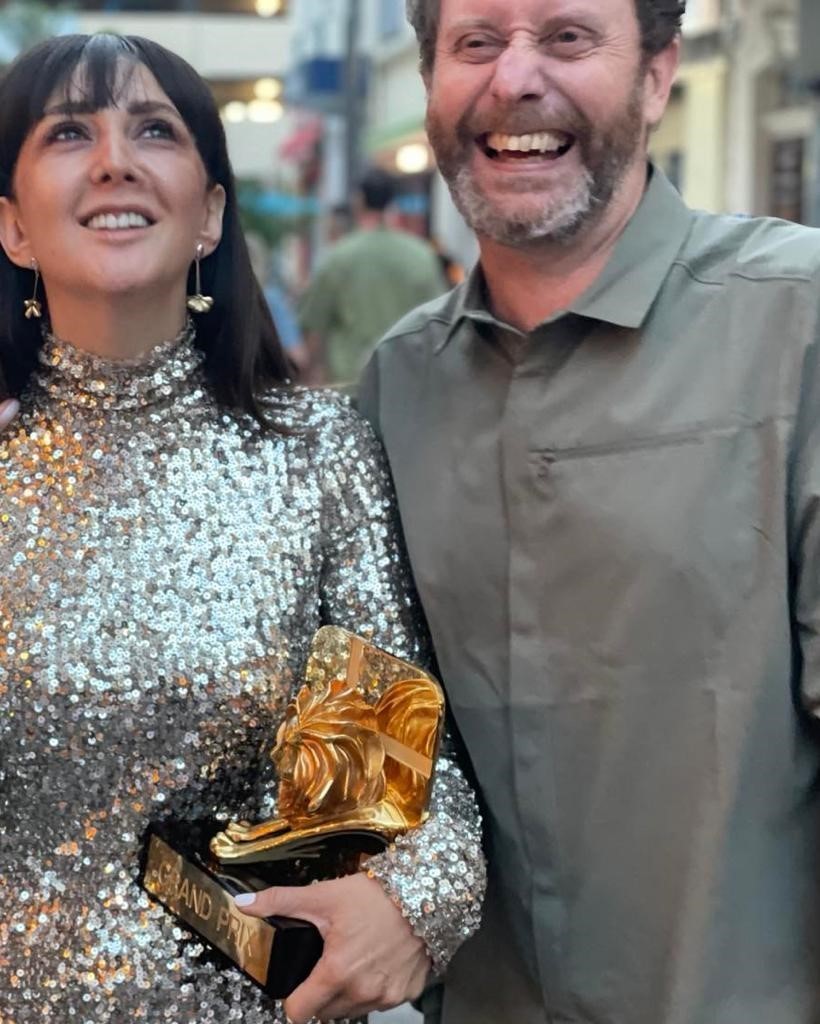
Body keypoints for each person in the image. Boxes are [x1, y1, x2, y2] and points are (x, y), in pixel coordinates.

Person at [0, 33, 485, 1024]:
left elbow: (397, 797)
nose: (114, 161)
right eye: (68, 133)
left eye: (154, 130)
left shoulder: (314, 455)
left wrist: (414, 905)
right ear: (11, 226)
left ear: (212, 213)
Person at [358, 0, 820, 1022]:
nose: (515, 77)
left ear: (657, 74)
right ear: (431, 82)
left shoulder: (796, 321)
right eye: (476, 42)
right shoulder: (396, 384)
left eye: (568, 37)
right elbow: (375, 763)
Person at [299, 167, 447, 386]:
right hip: (409, 384)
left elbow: (314, 327)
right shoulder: (422, 256)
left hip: (351, 385)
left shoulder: (338, 257)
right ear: (392, 202)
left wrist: (308, 379)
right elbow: (440, 325)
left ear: (359, 201)